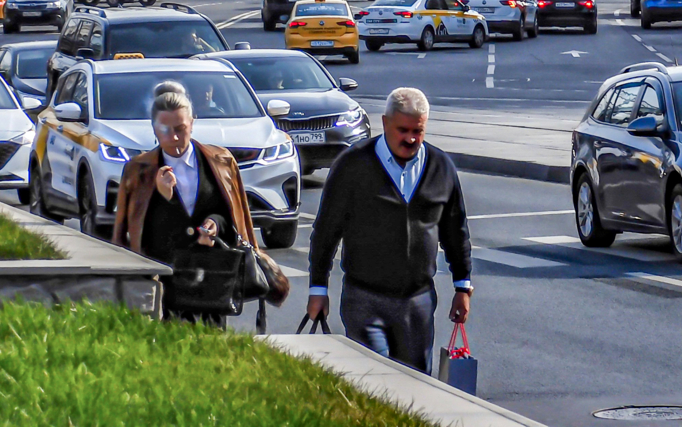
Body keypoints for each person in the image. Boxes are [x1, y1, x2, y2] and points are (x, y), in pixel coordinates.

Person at [306, 87, 472, 373]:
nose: (411, 139)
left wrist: (462, 285)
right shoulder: (353, 165)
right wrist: (318, 288)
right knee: (374, 382)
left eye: (418, 131)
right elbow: (326, 231)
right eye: (403, 130)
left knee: (414, 388)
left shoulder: (440, 167)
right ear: (385, 123)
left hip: (417, 302)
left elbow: (455, 228)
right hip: (365, 299)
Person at [113, 81, 287, 323]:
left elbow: (234, 218)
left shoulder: (220, 161)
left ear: (192, 123)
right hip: (164, 284)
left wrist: (214, 224)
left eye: (180, 128)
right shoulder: (137, 170)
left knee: (211, 349)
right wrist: (165, 198)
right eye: (165, 130)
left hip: (212, 281)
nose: (174, 137)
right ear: (154, 129)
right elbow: (125, 233)